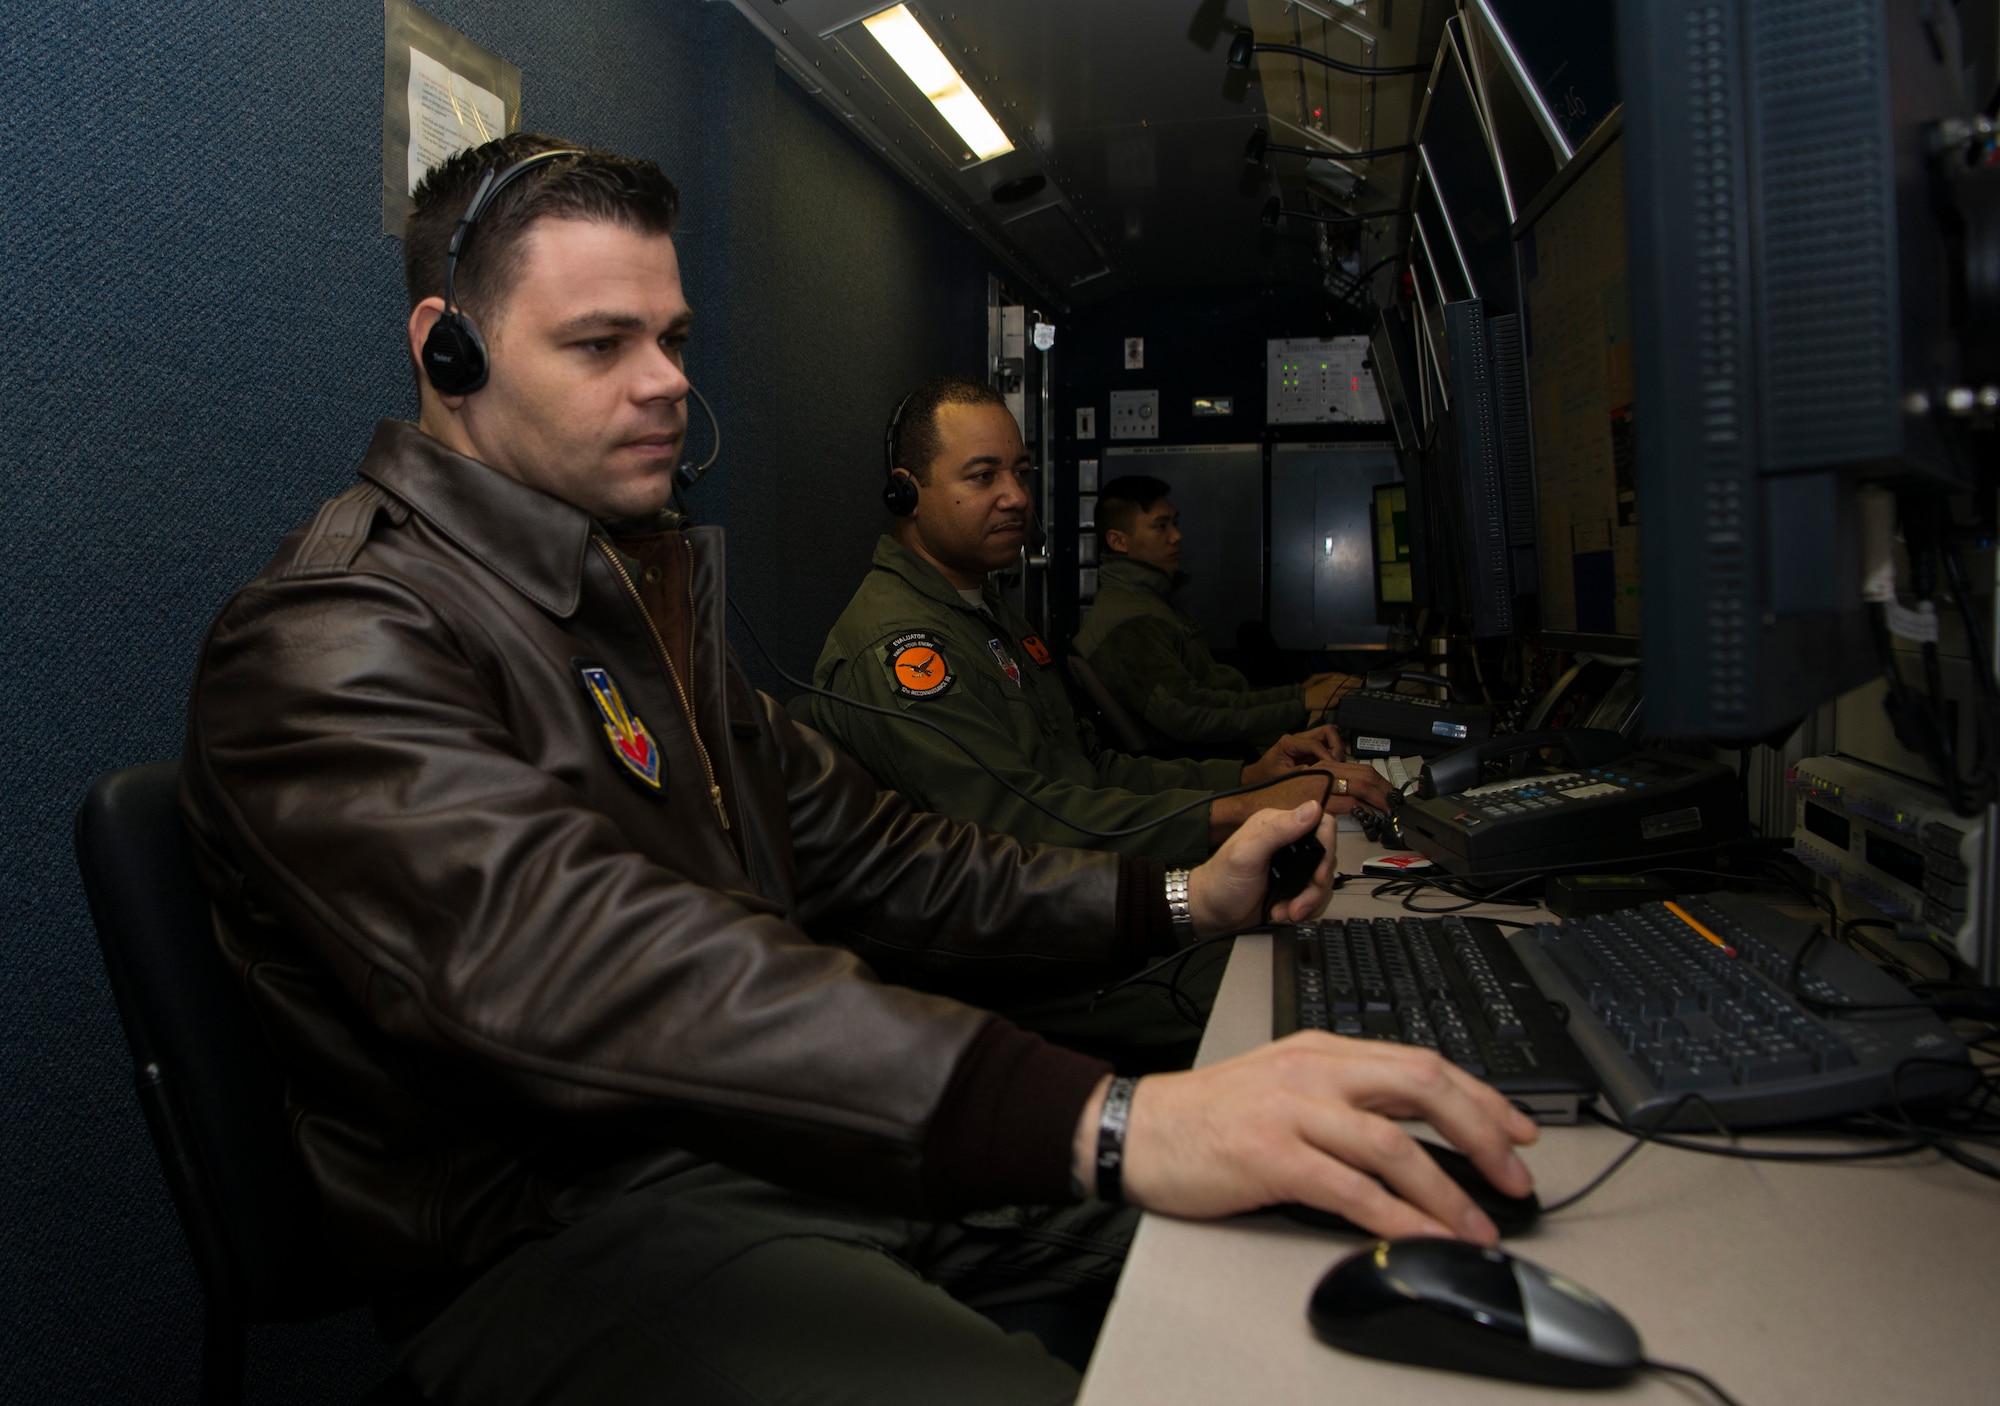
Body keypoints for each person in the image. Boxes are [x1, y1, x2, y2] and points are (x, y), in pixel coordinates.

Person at [179, 134, 1538, 1406]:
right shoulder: (329, 638)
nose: (665, 380)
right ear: (449, 350)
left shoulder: (631, 605)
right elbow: (581, 968)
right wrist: (1116, 1121)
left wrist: (1183, 898)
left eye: (673, 338)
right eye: (600, 343)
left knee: (1307, 1245)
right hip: (562, 1239)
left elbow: (885, 854)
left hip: (775, 1154)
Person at [811, 379, 1393, 875]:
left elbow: (1092, 772)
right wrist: (1247, 808)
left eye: (1020, 471)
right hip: (1007, 947)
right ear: (906, 492)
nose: (1016, 497)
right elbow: (1017, 823)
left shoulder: (986, 612)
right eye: (983, 477)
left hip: (1067, 892)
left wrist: (1248, 777)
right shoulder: (898, 647)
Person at [1075, 475, 1357, 757]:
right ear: (1118, 541)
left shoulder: (1150, 603)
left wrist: (1297, 694)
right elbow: (1189, 713)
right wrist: (1300, 702)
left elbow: (1213, 697)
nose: (1176, 536)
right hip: (1202, 766)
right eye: (1161, 526)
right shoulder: (1131, 621)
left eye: (1175, 523)